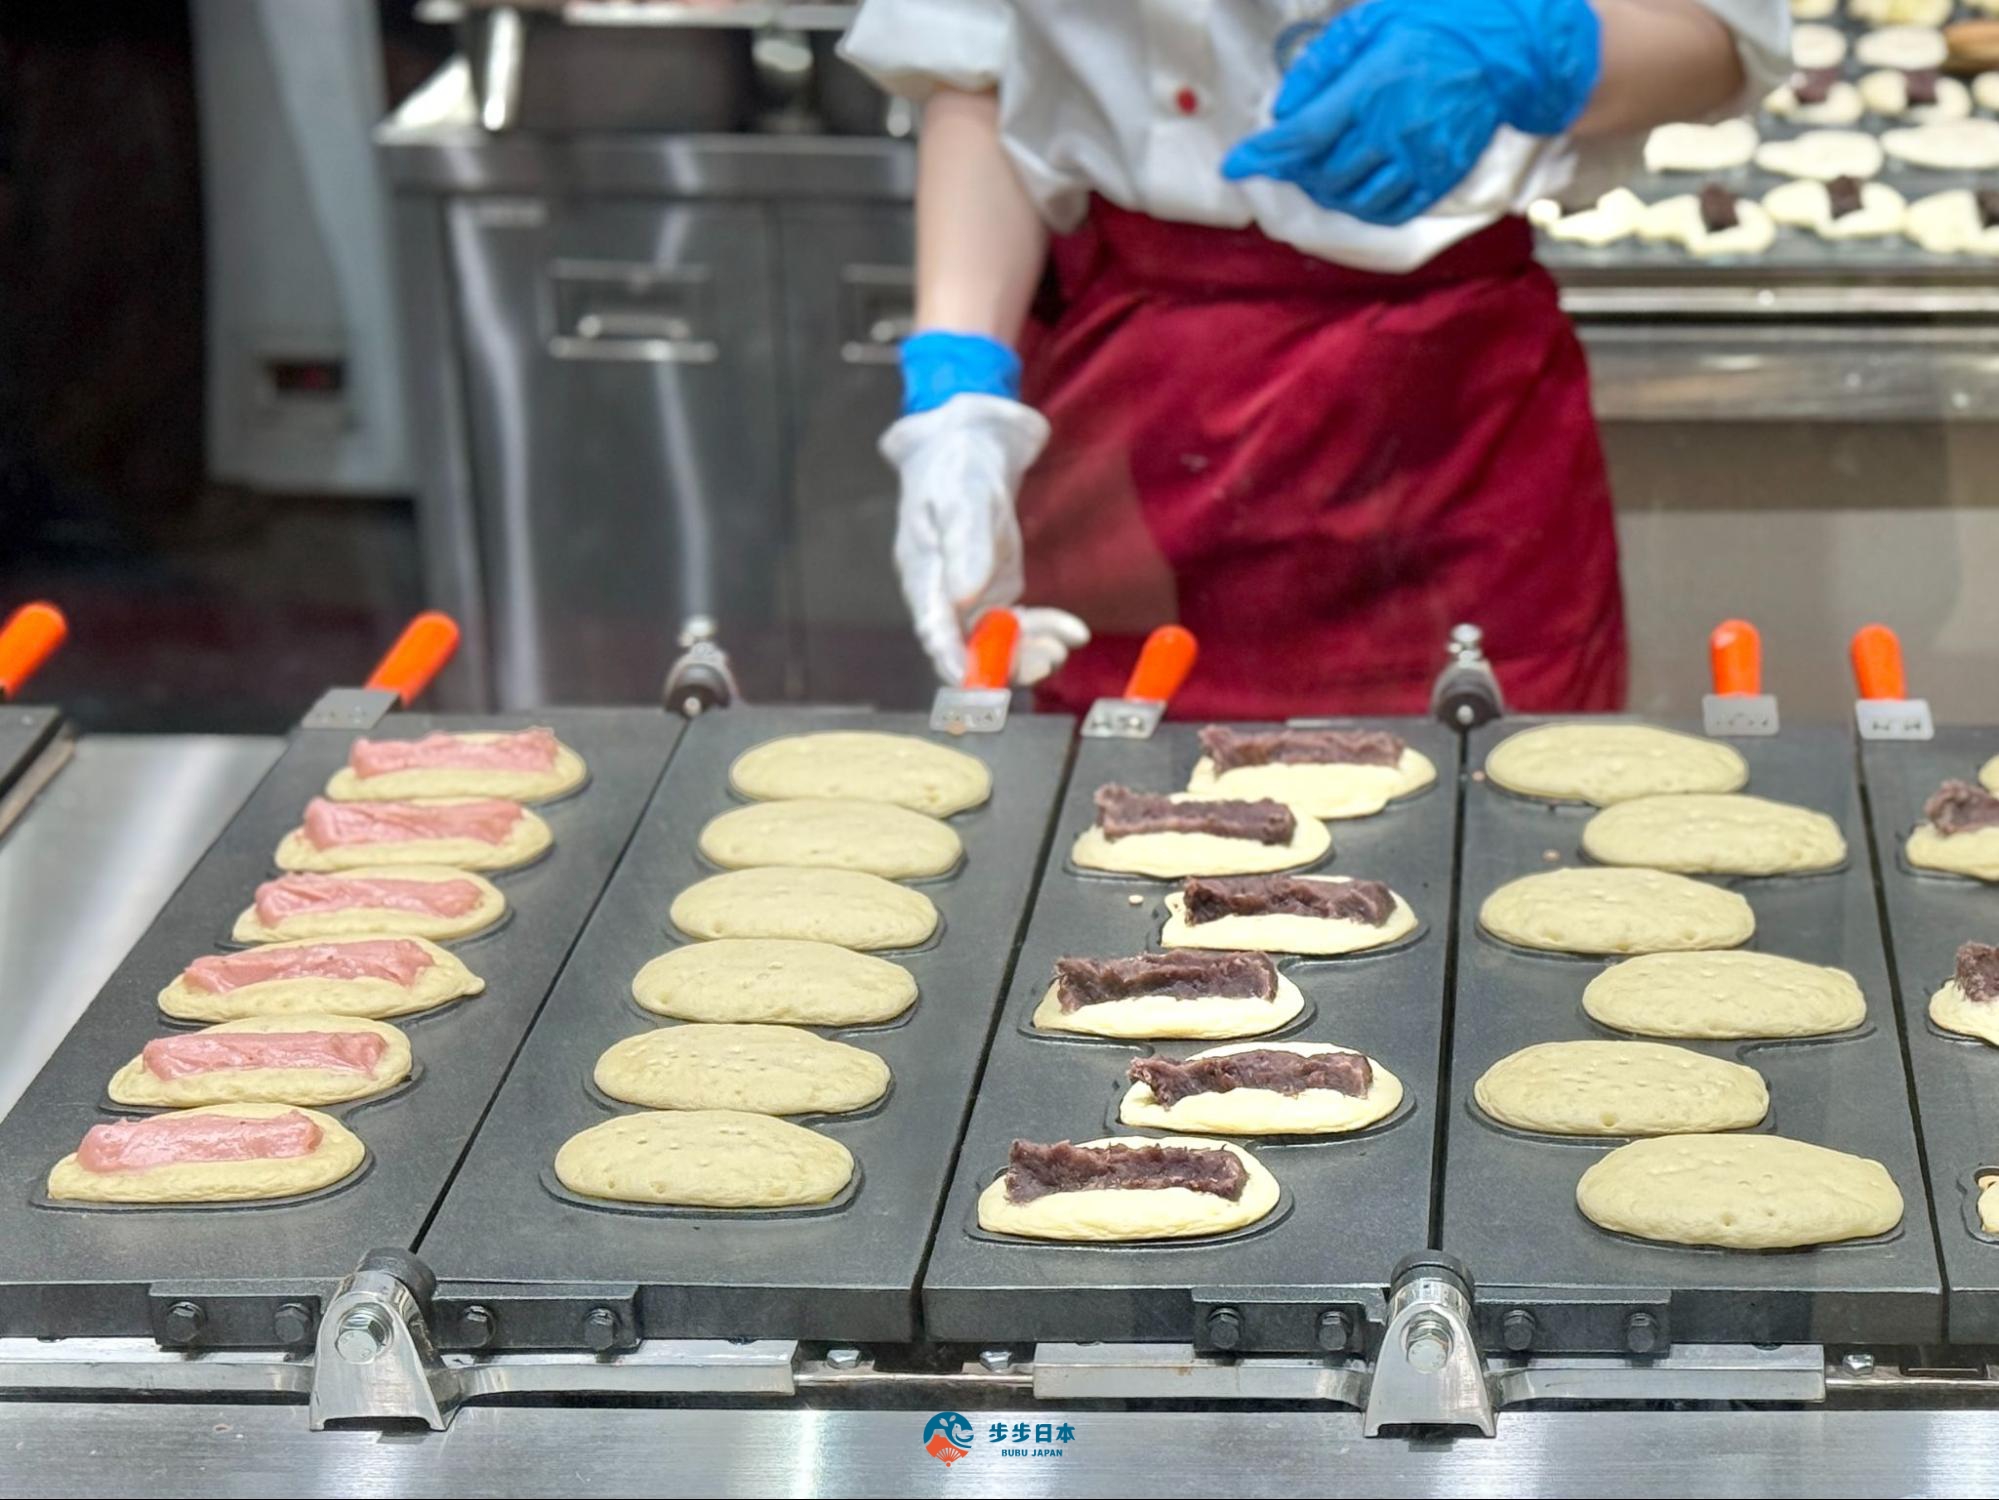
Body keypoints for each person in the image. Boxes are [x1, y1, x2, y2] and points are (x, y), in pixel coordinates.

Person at [840, 0, 1787, 718]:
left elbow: (1719, 37)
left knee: (1502, 821)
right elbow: (973, 64)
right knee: (1116, 831)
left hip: (1450, 404)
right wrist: (957, 387)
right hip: (1134, 398)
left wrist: (1537, 41)